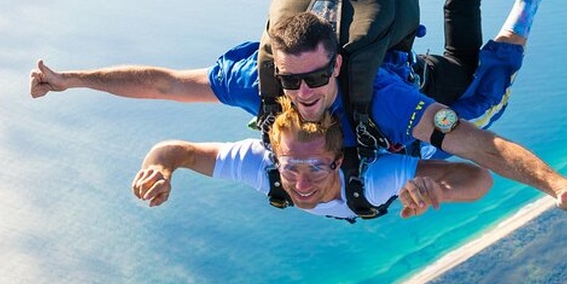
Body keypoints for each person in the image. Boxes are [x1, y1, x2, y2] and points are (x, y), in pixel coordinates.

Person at [30, 0, 567, 232]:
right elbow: (162, 87)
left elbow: (481, 153)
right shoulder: (267, 92)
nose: (299, 182)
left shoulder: (376, 104)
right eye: (291, 78)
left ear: (336, 66)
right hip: (380, 86)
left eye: (315, 77)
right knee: (461, 79)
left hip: (400, 86)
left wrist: (560, 190)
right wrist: (68, 81)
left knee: (480, 94)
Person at [132, 98, 493, 222]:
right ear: (275, 157)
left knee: (484, 103)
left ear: (338, 162)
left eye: (316, 167)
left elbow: (479, 179)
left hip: (421, 143)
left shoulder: (376, 179)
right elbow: (179, 151)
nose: (300, 185)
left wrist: (438, 189)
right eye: (290, 167)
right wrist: (160, 169)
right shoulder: (262, 165)